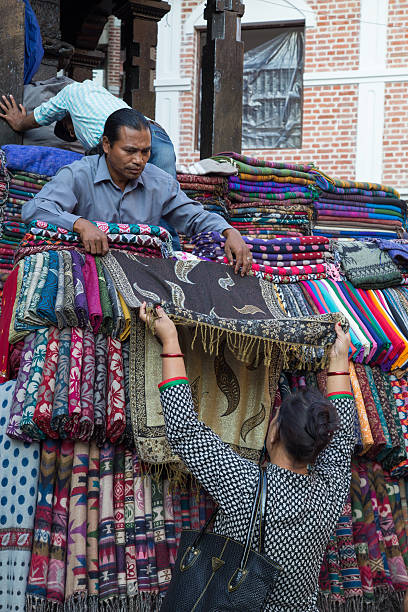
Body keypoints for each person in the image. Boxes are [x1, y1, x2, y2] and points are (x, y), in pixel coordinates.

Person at [139, 301, 353, 611]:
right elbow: (342, 438)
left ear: (275, 433)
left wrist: (171, 341)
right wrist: (339, 362)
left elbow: (185, 430)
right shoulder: (330, 492)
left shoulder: (246, 485)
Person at [22, 108, 253, 274]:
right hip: (85, 276)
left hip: (140, 279)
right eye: (130, 151)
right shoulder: (78, 174)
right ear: (106, 144)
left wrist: (228, 231)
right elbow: (34, 210)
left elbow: (193, 216)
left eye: (145, 152)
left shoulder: (158, 182)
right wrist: (80, 224)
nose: (139, 160)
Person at [0, 79, 180, 246]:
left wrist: (20, 122)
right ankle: (170, 258)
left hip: (126, 139)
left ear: (65, 117)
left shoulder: (69, 93)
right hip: (156, 132)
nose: (73, 134)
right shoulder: (101, 94)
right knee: (165, 205)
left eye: (69, 129)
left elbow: (41, 116)